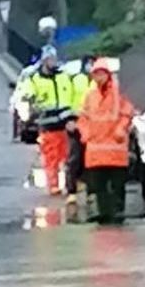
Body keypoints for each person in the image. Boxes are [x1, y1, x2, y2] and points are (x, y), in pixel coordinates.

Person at [78, 58, 134, 225]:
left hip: (115, 148)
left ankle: (117, 211)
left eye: (101, 73)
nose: (98, 77)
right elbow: (83, 118)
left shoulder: (120, 94)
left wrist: (120, 129)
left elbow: (127, 114)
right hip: (96, 149)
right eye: (95, 74)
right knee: (99, 185)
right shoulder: (90, 96)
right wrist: (86, 133)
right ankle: (103, 212)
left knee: (117, 184)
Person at [17, 47, 77, 198]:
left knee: (67, 156)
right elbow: (26, 94)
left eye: (54, 59)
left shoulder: (64, 77)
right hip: (48, 125)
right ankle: (53, 186)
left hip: (65, 124)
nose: (53, 62)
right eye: (50, 59)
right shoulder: (34, 79)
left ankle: (68, 184)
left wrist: (73, 118)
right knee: (51, 158)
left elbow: (72, 97)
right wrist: (29, 102)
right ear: (44, 60)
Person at [65, 56, 92, 206]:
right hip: (76, 121)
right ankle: (71, 190)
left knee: (90, 158)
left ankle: (89, 189)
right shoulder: (75, 80)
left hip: (93, 124)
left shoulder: (98, 83)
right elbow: (67, 99)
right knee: (74, 157)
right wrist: (69, 120)